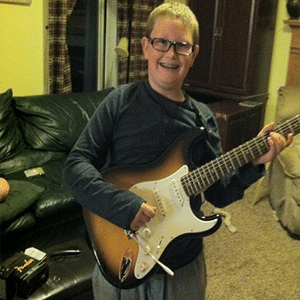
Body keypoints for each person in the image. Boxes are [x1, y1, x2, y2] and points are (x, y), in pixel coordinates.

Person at [64, 2, 293, 299]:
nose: (170, 54)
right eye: (161, 42)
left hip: (181, 263)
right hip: (119, 252)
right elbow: (76, 165)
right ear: (146, 47)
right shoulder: (119, 102)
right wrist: (124, 206)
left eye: (182, 45)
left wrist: (254, 164)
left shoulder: (202, 118)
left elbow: (218, 193)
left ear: (193, 54)